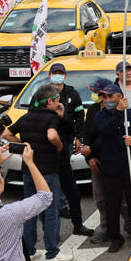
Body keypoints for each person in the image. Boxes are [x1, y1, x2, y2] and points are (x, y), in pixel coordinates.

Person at [0, 84, 70, 261]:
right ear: (49, 101)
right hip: (48, 170)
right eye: (57, 99)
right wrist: (60, 147)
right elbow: (52, 136)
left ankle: (30, 250)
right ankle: (52, 252)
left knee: (30, 210)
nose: (59, 102)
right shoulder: (51, 118)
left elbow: (7, 134)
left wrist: (22, 145)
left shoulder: (26, 117)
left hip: (28, 169)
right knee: (51, 210)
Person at [93, 84, 131, 252]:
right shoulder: (100, 116)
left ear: (120, 97)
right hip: (111, 167)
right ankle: (115, 238)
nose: (108, 100)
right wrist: (117, 111)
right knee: (112, 204)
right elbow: (106, 129)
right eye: (105, 97)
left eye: (111, 97)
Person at [49, 63, 93, 236]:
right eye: (55, 73)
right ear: (49, 75)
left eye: (60, 73)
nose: (57, 76)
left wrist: (78, 138)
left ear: (65, 76)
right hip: (47, 148)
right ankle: (52, 230)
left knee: (72, 189)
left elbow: (79, 118)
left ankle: (77, 224)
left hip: (65, 144)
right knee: (47, 190)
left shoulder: (72, 94)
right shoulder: (43, 94)